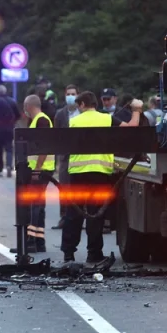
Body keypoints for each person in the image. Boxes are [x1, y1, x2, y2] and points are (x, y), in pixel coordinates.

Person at [62, 91, 114, 264]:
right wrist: (136, 110)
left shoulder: (74, 121)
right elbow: (130, 127)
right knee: (95, 214)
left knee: (73, 214)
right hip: (100, 173)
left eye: (78, 106)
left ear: (83, 104)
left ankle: (68, 253)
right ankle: (94, 253)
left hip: (78, 174)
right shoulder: (107, 119)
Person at [23, 94, 54, 253]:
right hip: (40, 169)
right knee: (39, 206)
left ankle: (31, 241)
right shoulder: (38, 120)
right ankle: (39, 242)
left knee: (34, 205)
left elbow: (44, 146)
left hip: (40, 169)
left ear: (28, 106)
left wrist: (37, 168)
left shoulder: (42, 120)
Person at [52, 84, 79, 229]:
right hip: (65, 157)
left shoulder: (82, 112)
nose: (70, 96)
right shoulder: (60, 114)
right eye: (68, 94)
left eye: (73, 93)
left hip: (81, 156)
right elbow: (56, 136)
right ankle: (64, 217)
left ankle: (80, 216)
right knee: (64, 188)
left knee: (79, 188)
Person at [0, 84, 21, 177]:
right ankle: (9, 166)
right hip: (10, 128)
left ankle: (0, 168)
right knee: (9, 148)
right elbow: (18, 115)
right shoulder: (12, 101)